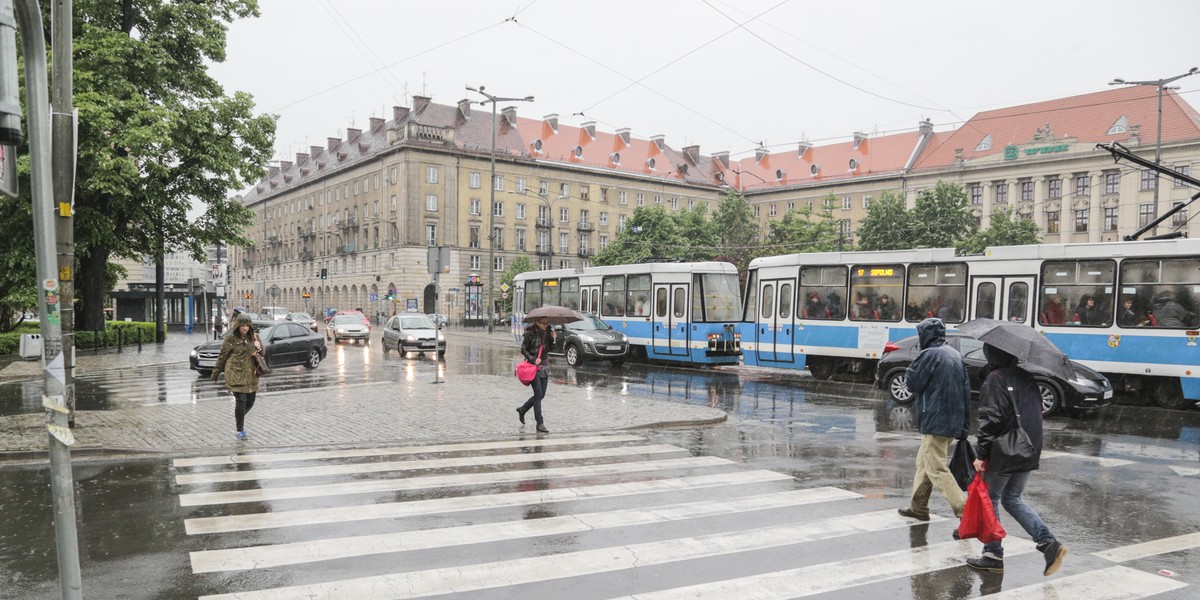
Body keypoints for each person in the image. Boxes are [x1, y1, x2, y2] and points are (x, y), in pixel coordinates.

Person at [966, 343, 1067, 576]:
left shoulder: (995, 378)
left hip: (1007, 448)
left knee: (991, 498)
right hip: (1028, 446)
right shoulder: (1026, 376)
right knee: (1012, 498)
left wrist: (981, 453)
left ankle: (992, 554)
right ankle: (1048, 544)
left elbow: (991, 418)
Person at [898, 318, 970, 523]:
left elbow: (912, 384)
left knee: (936, 468)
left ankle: (965, 511)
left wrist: (912, 366)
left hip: (935, 419)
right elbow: (965, 391)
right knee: (924, 463)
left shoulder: (929, 354)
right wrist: (964, 426)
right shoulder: (955, 355)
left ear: (925, 335)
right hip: (951, 419)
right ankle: (918, 507)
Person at [211, 314, 262, 440]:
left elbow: (263, 354)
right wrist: (215, 373)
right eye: (242, 325)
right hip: (235, 373)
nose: (245, 328)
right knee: (241, 401)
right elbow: (222, 357)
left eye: (247, 325)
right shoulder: (230, 339)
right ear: (237, 326)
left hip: (251, 375)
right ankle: (240, 430)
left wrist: (258, 347)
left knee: (250, 402)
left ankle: (239, 417)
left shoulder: (255, 338)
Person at [517, 316, 555, 433]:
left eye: (547, 321)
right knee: (538, 394)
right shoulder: (530, 333)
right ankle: (540, 423)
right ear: (537, 322)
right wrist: (533, 359)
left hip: (545, 366)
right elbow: (523, 349)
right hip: (533, 367)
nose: (546, 323)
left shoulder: (549, 332)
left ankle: (523, 409)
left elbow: (550, 349)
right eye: (544, 321)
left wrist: (553, 339)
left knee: (541, 395)